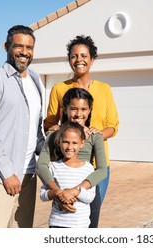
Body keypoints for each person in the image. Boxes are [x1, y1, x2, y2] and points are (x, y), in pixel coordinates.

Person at [0, 25, 45, 228]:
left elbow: (36, 131)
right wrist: (7, 173)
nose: (24, 52)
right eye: (18, 46)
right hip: (0, 177)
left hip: (29, 175)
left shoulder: (35, 80)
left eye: (29, 47)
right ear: (6, 46)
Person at [43, 35, 119, 203]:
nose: (79, 60)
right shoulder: (59, 89)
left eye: (84, 56)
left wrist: (95, 135)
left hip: (98, 164)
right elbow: (49, 124)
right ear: (69, 59)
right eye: (74, 56)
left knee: (92, 214)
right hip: (68, 164)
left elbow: (113, 126)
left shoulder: (104, 89)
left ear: (92, 60)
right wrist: (56, 130)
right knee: (67, 208)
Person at [37, 88, 106, 227]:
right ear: (65, 109)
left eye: (83, 109)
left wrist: (74, 192)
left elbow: (102, 170)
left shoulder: (95, 136)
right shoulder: (54, 134)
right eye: (74, 109)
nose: (79, 114)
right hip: (60, 192)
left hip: (87, 192)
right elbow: (41, 166)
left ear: (90, 110)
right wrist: (59, 193)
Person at [40, 121, 96, 228]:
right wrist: (58, 193)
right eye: (65, 142)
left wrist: (75, 192)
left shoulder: (88, 168)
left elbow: (91, 197)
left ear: (82, 143)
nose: (69, 147)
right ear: (59, 142)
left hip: (80, 225)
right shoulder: (53, 167)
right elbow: (43, 195)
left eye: (74, 143)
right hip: (57, 224)